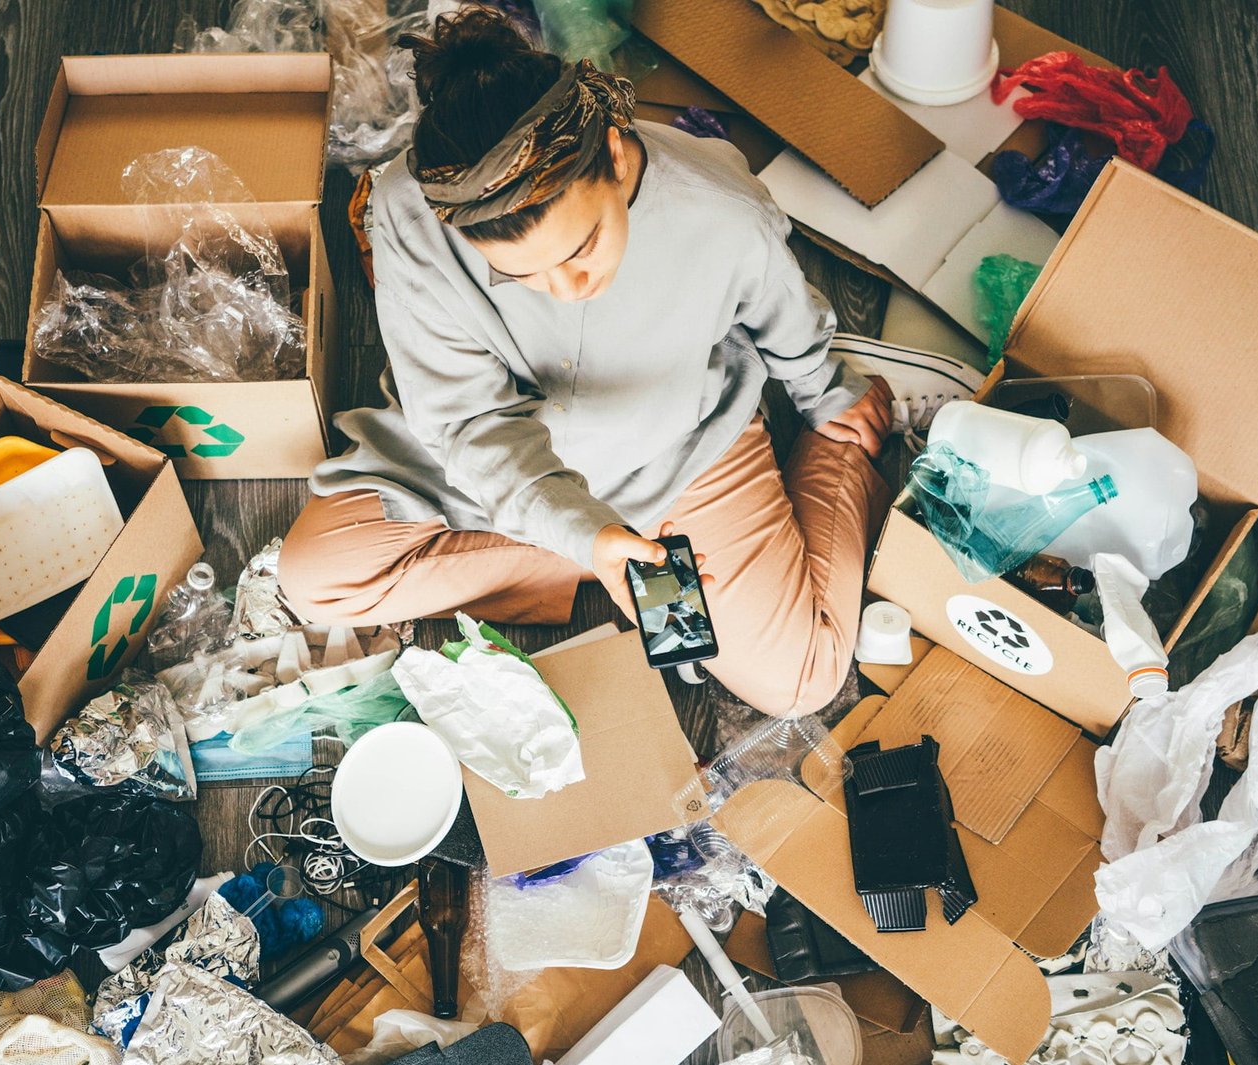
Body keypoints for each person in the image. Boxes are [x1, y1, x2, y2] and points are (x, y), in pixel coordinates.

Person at [280, 6, 964, 716]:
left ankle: (631, 552)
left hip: (677, 454)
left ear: (613, 151)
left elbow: (783, 312)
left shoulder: (723, 209)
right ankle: (612, 560)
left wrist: (828, 396)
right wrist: (588, 532)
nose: (567, 290)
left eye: (580, 248)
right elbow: (467, 421)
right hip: (488, 460)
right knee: (313, 576)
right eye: (522, 276)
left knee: (803, 680)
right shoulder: (405, 206)